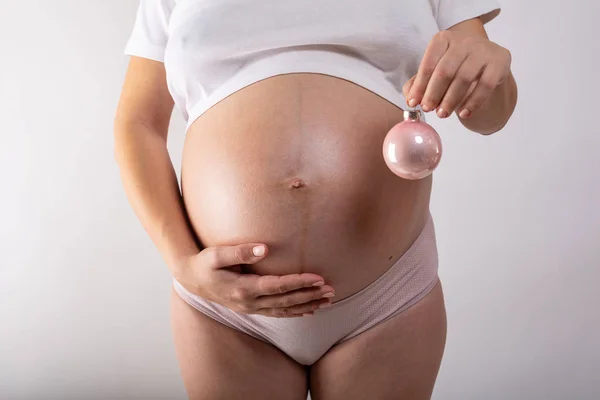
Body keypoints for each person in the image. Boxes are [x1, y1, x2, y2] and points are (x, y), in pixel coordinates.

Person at [114, 0, 517, 398]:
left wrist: (490, 71)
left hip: (386, 300)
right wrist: (183, 264)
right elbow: (139, 122)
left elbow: (490, 115)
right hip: (229, 307)